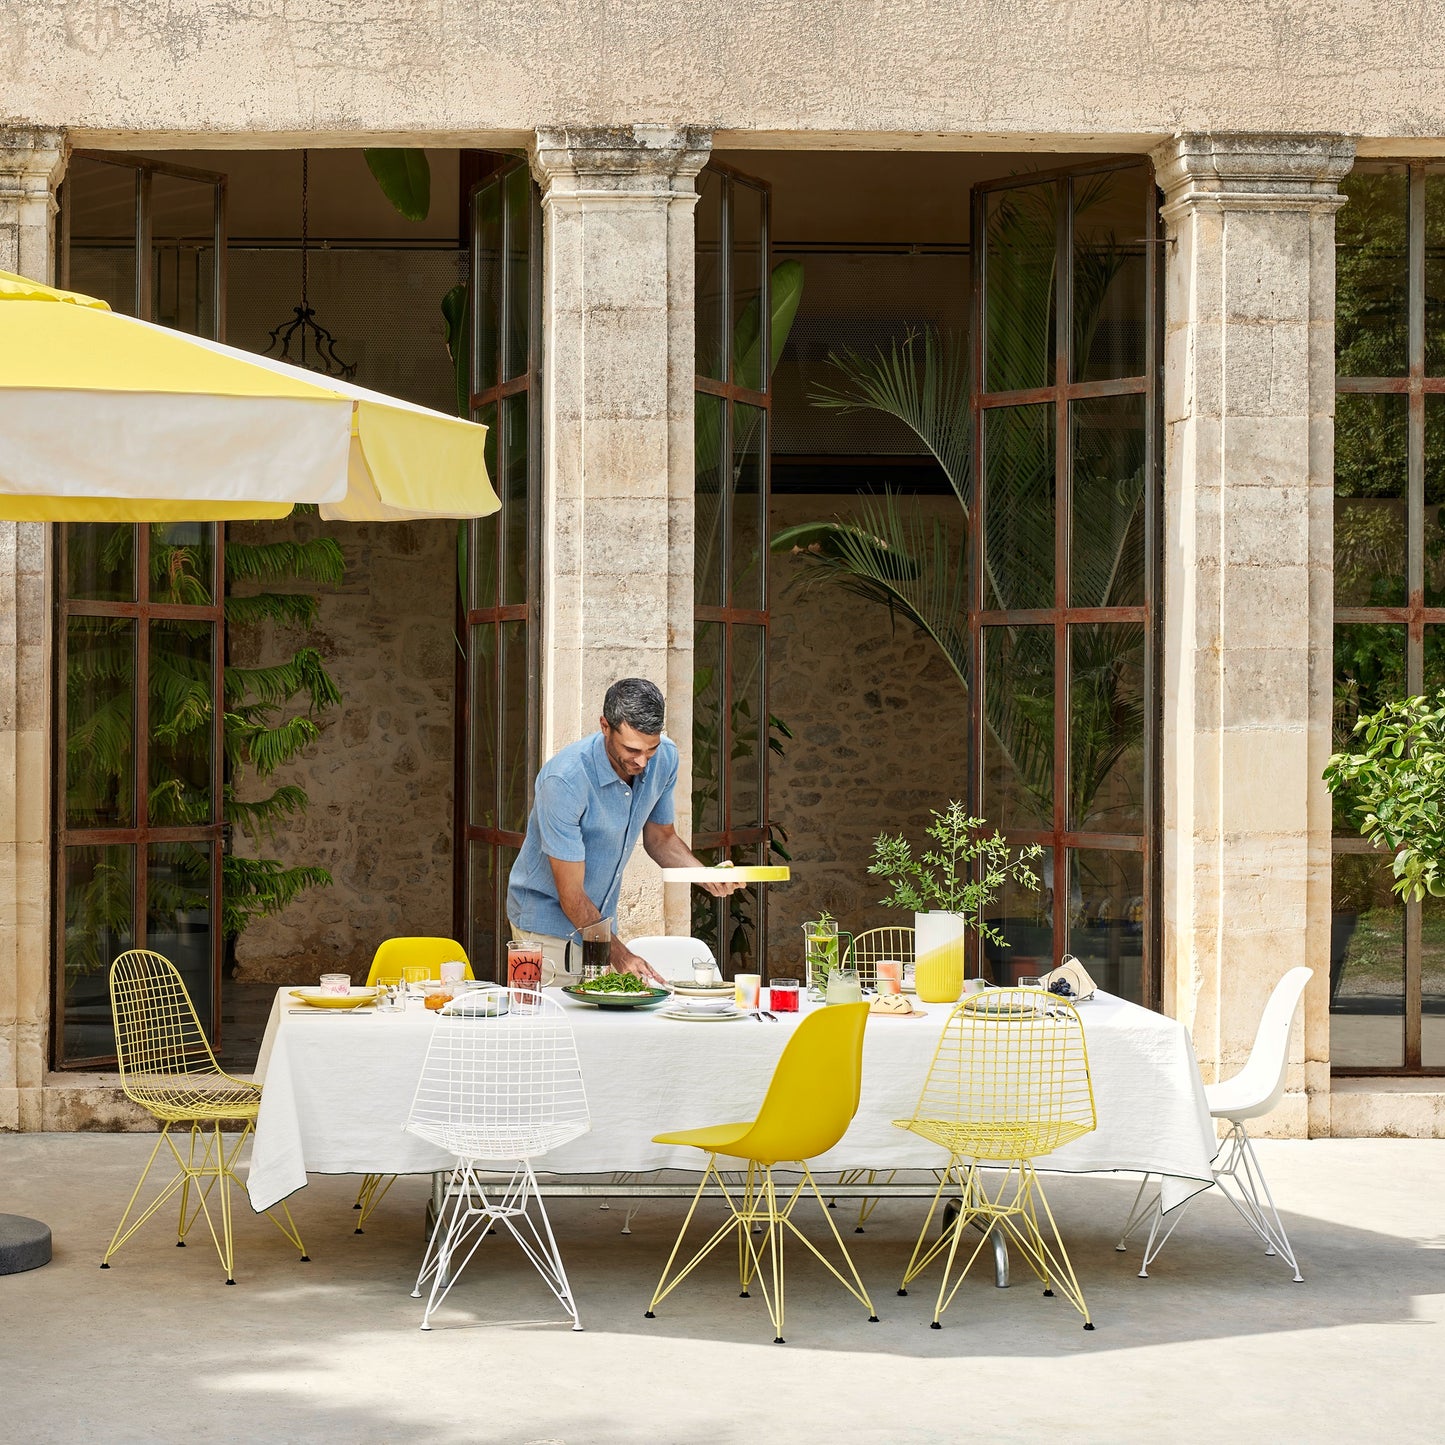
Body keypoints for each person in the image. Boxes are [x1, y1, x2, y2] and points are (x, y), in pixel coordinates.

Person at [506, 677, 741, 982]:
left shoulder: (665, 758)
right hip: (545, 929)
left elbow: (661, 838)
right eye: (632, 749)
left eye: (651, 749)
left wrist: (705, 876)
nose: (643, 761)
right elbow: (572, 894)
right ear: (605, 726)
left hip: (599, 927)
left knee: (601, 1026)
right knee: (552, 1025)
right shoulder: (564, 781)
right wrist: (620, 955)